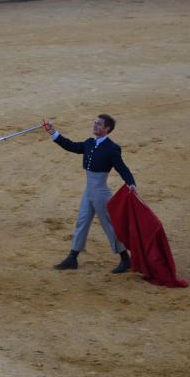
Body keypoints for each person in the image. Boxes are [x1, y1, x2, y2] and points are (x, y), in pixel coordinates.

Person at [43, 114, 137, 273]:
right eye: (95, 123)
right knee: (82, 221)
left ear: (107, 128)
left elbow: (121, 167)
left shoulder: (112, 148)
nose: (95, 126)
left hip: (101, 192)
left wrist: (131, 182)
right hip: (89, 191)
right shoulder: (89, 143)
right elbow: (71, 146)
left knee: (109, 225)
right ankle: (72, 258)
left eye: (98, 124)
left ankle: (125, 259)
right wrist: (53, 132)